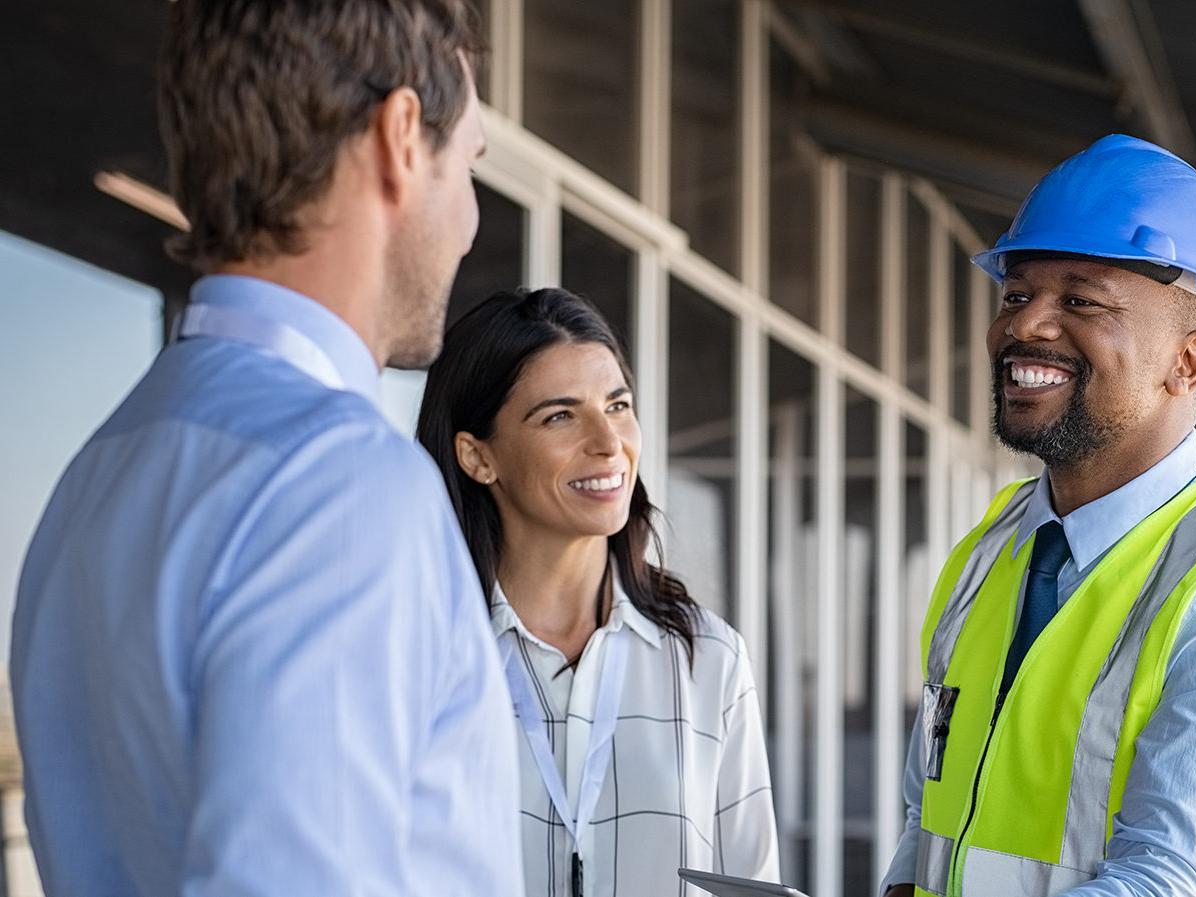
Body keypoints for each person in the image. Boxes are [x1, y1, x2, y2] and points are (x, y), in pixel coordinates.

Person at [6, 1, 519, 894]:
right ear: (402, 137)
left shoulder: (96, 474)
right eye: (469, 162)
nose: (472, 219)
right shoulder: (347, 485)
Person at [879, 134, 1196, 897]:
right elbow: (928, 809)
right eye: (1015, 295)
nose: (1025, 326)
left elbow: (1171, 875)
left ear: (1190, 360)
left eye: (1078, 300)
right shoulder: (995, 543)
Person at [418, 287, 779, 897]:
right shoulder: (418, 655)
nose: (609, 443)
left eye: (617, 405)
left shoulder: (709, 660)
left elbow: (750, 883)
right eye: (560, 415)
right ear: (478, 457)